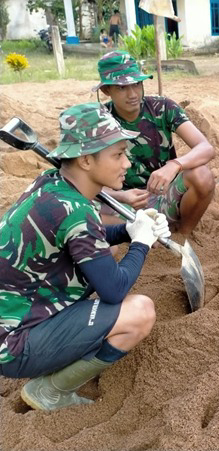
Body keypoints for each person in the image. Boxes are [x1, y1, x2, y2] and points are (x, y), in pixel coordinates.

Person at [0, 103, 169, 410]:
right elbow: (114, 289)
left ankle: (56, 351)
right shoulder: (77, 211)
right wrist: (142, 243)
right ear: (87, 160)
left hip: (14, 319)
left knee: (110, 252)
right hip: (13, 345)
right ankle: (50, 390)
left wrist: (129, 230)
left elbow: (85, 241)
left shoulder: (52, 184)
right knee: (139, 313)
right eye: (118, 154)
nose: (127, 163)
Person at [94, 51, 215, 235]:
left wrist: (174, 165)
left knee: (202, 175)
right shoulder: (98, 121)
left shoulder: (162, 107)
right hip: (122, 205)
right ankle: (135, 234)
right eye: (122, 87)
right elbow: (81, 181)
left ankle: (182, 234)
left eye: (136, 84)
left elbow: (205, 148)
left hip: (164, 196)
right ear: (106, 90)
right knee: (76, 207)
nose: (133, 93)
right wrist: (122, 196)